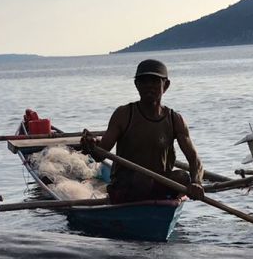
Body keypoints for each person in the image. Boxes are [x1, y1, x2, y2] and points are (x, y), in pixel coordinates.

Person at [81, 59, 205, 203]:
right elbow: (99, 156)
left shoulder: (175, 119)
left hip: (159, 185)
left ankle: (161, 202)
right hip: (126, 187)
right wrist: (91, 146)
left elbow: (195, 160)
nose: (149, 86)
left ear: (166, 85)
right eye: (144, 81)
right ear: (136, 85)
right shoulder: (123, 114)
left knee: (183, 177)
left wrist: (197, 183)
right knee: (142, 179)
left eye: (154, 81)